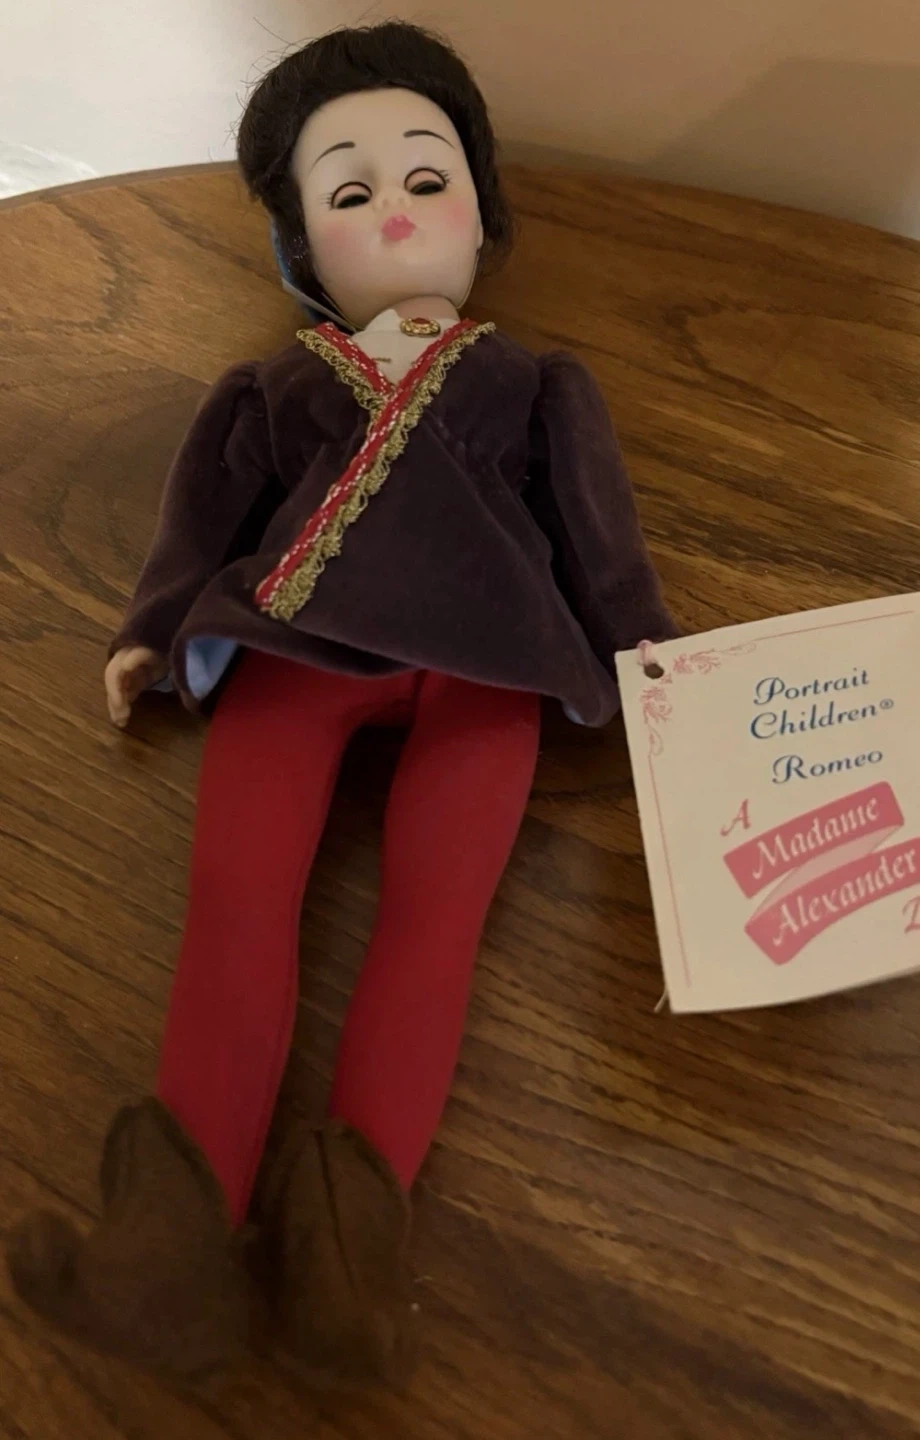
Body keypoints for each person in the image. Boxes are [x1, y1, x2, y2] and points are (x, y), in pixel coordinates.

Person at [5, 20, 677, 1390]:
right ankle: (170, 1246)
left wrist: (653, 659)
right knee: (238, 896)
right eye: (351, 193)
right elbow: (199, 528)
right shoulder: (278, 383)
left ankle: (349, 1255)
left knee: (438, 924)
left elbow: (604, 550)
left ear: (482, 207)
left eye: (427, 179)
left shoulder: (535, 382)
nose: (397, 213)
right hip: (297, 643)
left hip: (493, 664)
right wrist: (149, 633)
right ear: (302, 243)